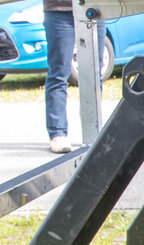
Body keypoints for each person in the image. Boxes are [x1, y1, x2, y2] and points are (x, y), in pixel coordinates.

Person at [43, 1, 105, 153]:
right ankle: (57, 133)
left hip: (94, 9)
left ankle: (95, 131)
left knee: (95, 73)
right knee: (58, 74)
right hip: (60, 11)